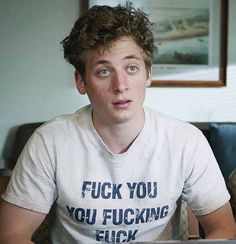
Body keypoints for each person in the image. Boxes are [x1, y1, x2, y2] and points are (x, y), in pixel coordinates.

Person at [0, 2, 236, 243]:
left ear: (148, 74)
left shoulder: (186, 141)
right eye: (104, 71)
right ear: (81, 81)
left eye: (131, 68)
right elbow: (11, 234)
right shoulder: (49, 141)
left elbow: (225, 231)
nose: (120, 85)